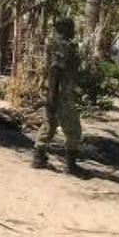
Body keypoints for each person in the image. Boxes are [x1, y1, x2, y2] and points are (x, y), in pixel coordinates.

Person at [33, 16, 85, 175]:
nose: (74, 30)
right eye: (71, 27)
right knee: (74, 130)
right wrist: (52, 96)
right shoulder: (63, 45)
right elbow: (56, 70)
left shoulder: (56, 44)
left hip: (56, 91)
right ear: (65, 29)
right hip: (62, 94)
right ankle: (71, 166)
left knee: (50, 123)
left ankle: (38, 158)